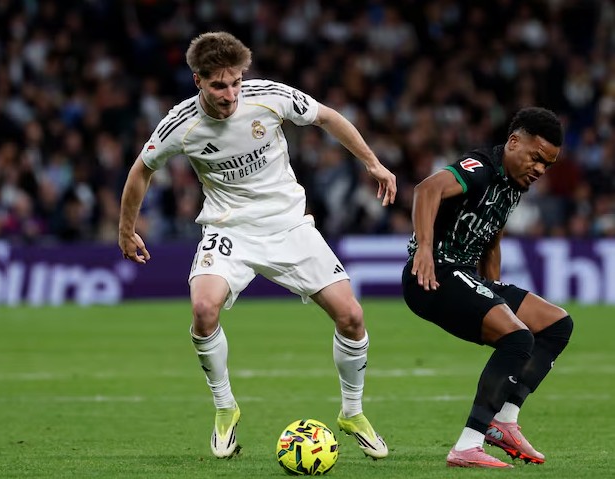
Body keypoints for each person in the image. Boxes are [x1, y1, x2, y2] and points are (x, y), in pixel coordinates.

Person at [118, 31, 396, 459]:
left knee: (352, 317)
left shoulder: (269, 97)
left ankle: (352, 412)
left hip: (289, 226)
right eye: (218, 86)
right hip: (230, 229)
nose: (230, 95)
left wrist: (372, 163)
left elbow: (327, 117)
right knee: (203, 309)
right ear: (197, 80)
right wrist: (126, 229)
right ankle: (225, 407)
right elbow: (142, 170)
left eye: (236, 83)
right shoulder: (180, 124)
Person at [402, 107, 573, 468]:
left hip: (467, 275)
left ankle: (505, 420)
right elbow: (426, 189)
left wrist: (492, 289)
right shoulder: (480, 168)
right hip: (434, 275)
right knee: (518, 338)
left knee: (557, 324)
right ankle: (468, 445)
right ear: (513, 142)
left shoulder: (513, 187)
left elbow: (491, 239)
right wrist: (425, 249)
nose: (540, 169)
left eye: (547, 164)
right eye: (536, 158)